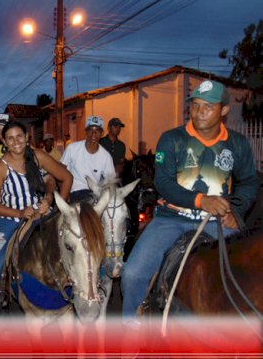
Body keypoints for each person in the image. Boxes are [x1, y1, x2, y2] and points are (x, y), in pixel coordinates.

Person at [121, 80, 259, 322]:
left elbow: (249, 182)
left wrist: (235, 212)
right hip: (171, 220)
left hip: (218, 223)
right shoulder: (171, 139)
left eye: (208, 106)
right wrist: (200, 200)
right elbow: (163, 182)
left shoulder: (237, 143)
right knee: (132, 275)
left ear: (224, 110)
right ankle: (131, 329)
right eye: (195, 105)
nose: (199, 112)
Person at [0, 121, 73, 314]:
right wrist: (20, 213)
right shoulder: (1, 167)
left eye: (19, 136)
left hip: (41, 214)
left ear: (27, 137)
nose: (16, 142)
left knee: (74, 245)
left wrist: (57, 206)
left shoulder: (38, 156)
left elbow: (66, 177)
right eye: (11, 138)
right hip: (9, 217)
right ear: (4, 142)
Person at [60, 115, 116, 202]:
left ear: (102, 134)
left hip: (94, 194)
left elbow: (111, 181)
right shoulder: (72, 148)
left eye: (97, 130)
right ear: (86, 132)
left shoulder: (106, 156)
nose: (93, 134)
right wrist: (64, 194)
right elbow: (60, 170)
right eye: (90, 130)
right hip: (73, 192)